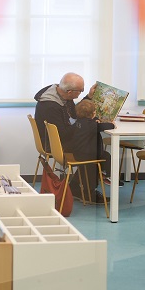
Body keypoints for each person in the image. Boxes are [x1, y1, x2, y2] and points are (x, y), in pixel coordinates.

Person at [34, 72, 109, 201]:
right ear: (69, 92)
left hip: (58, 140)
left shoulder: (62, 96)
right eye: (80, 91)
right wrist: (88, 124)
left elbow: (75, 114)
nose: (81, 93)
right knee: (93, 150)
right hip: (55, 144)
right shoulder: (50, 106)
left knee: (92, 144)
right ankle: (88, 192)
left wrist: (89, 97)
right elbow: (63, 133)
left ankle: (76, 187)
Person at [68, 100, 116, 197]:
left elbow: (91, 125)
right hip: (89, 155)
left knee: (89, 165)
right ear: (93, 113)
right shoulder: (91, 125)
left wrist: (94, 121)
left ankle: (75, 185)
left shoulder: (78, 123)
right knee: (107, 156)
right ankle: (107, 176)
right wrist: (113, 124)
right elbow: (107, 126)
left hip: (78, 153)